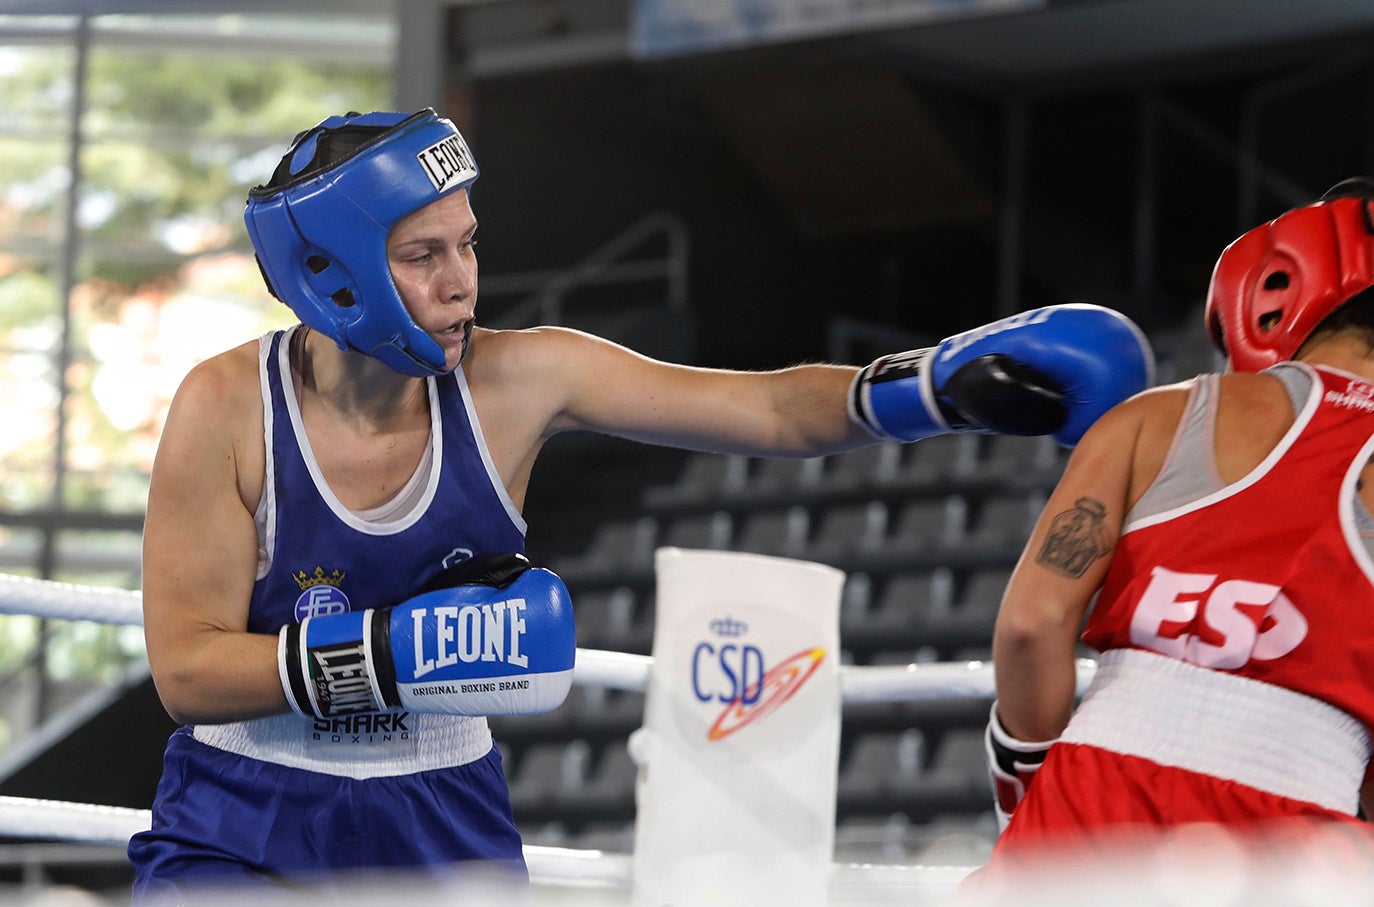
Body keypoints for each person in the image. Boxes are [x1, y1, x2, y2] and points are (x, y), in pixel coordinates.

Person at [125, 107, 1152, 902]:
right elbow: (187, 668)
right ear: (336, 273)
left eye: (468, 244)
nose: (462, 284)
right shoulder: (228, 406)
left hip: (439, 808)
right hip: (243, 813)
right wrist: (401, 652)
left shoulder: (521, 380)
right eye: (422, 254)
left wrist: (926, 389)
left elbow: (762, 409)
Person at [978, 177, 1374, 890]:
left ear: (1275, 288)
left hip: (1091, 798)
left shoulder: (1159, 415)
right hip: (1307, 840)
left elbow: (1034, 623)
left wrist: (1028, 784)